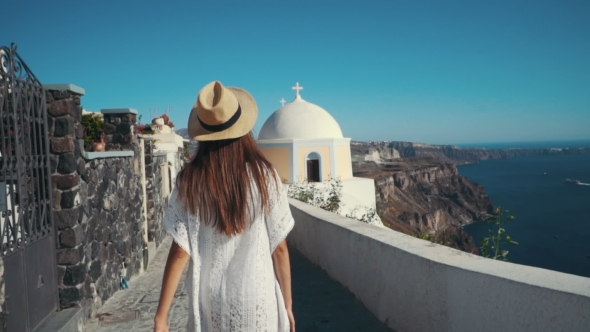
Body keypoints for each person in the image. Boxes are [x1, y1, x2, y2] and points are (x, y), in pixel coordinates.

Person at [154, 81, 295, 332]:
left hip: (212, 305)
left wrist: (161, 318)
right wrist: (288, 304)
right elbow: (280, 248)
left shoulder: (190, 180)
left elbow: (179, 251)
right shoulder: (266, 177)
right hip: (259, 304)